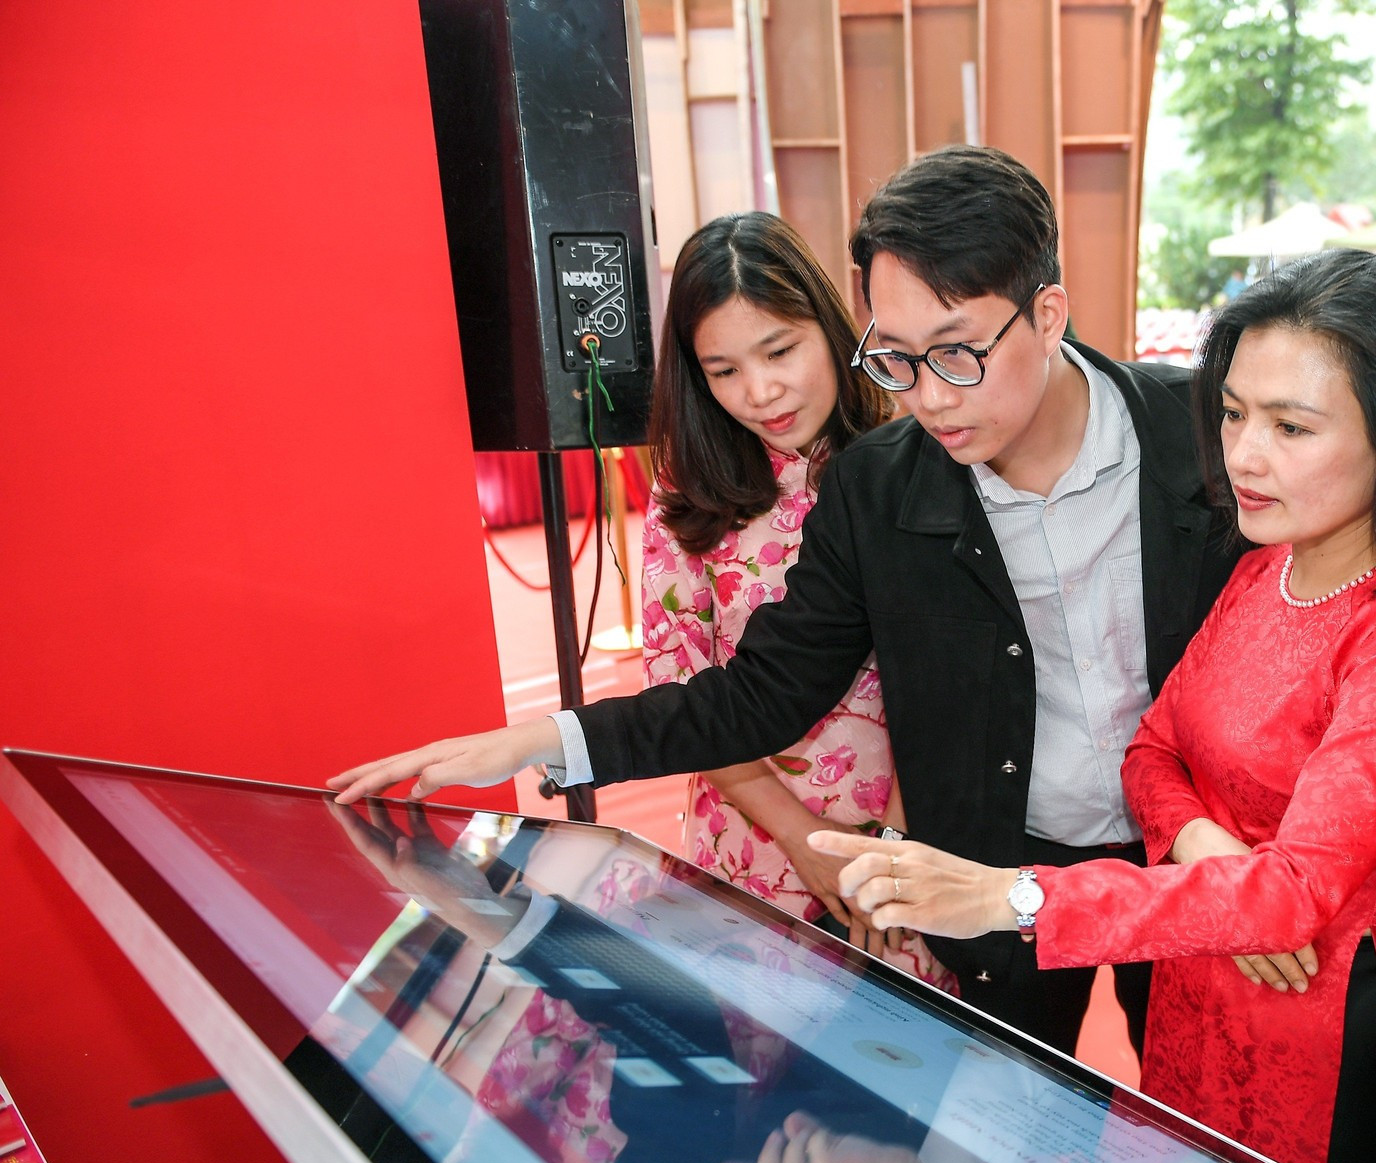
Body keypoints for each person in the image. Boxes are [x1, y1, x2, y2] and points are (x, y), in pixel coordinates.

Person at [331, 145, 1244, 1056]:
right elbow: (761, 694)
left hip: (1190, 859)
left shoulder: (1200, 436)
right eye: (896, 357)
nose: (926, 397)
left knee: (1199, 1135)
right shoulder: (882, 488)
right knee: (1006, 1130)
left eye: (956, 354)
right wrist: (546, 739)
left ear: (1047, 315)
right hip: (986, 870)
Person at [803, 249, 1376, 1163]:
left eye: (1291, 426)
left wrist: (1015, 900)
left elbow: (1295, 898)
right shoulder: (1268, 567)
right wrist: (1209, 846)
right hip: (1194, 984)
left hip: (1316, 1016)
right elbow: (1150, 750)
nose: (1243, 455)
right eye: (1236, 412)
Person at [633, 212, 947, 986]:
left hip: (911, 858)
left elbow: (949, 681)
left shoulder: (917, 458)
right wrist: (802, 839)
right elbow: (684, 693)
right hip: (754, 846)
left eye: (780, 351)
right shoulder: (687, 494)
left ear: (832, 326)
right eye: (724, 369)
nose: (761, 391)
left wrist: (892, 849)